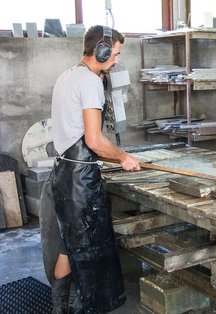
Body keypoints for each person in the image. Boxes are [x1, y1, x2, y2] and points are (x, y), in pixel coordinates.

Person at [48, 25, 140, 313]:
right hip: (80, 183)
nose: (115, 61)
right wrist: (123, 157)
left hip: (63, 175)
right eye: (114, 54)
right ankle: (79, 309)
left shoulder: (67, 76)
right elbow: (94, 140)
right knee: (88, 255)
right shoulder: (90, 82)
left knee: (68, 246)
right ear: (100, 50)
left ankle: (58, 306)